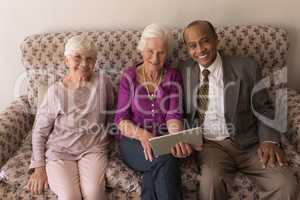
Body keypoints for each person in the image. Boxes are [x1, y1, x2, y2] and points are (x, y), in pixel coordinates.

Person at [179, 20, 299, 200]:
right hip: (210, 146)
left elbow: (262, 106)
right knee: (210, 183)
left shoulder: (246, 67)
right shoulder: (183, 70)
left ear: (216, 40)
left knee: (285, 184)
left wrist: (269, 140)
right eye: (192, 45)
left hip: (249, 142)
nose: (200, 49)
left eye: (205, 41)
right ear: (188, 49)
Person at [27, 35, 114, 200]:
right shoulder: (55, 92)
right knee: (69, 196)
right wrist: (39, 166)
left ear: (95, 62)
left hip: (93, 149)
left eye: (89, 59)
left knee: (95, 193)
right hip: (60, 152)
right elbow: (40, 131)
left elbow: (112, 110)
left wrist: (110, 135)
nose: (84, 64)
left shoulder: (103, 83)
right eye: (77, 57)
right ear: (66, 61)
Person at [114, 23, 192, 200]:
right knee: (166, 159)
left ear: (167, 53)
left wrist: (176, 137)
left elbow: (174, 114)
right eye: (150, 51)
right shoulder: (129, 77)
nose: (155, 58)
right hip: (133, 141)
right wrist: (143, 135)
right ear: (141, 50)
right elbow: (121, 119)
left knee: (158, 168)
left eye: (161, 52)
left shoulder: (173, 76)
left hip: (163, 139)